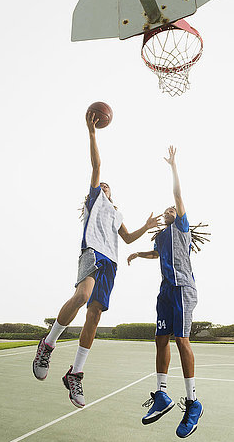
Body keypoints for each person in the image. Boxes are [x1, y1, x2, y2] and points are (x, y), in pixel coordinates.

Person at [32, 111, 160, 409]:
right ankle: (48, 344)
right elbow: (97, 164)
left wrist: (147, 225)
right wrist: (92, 132)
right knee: (82, 296)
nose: (104, 187)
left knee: (94, 315)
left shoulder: (115, 213)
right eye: (101, 185)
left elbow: (127, 239)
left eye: (107, 187)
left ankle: (75, 373)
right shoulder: (94, 200)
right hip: (92, 252)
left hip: (111, 263)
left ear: (112, 194)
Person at [127, 146, 203, 438]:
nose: (169, 210)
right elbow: (154, 253)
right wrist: (136, 254)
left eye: (171, 209)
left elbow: (178, 196)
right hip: (165, 292)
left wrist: (173, 166)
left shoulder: (182, 227)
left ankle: (193, 402)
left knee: (181, 340)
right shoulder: (161, 238)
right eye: (166, 210)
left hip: (183, 288)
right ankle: (162, 395)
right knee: (160, 339)